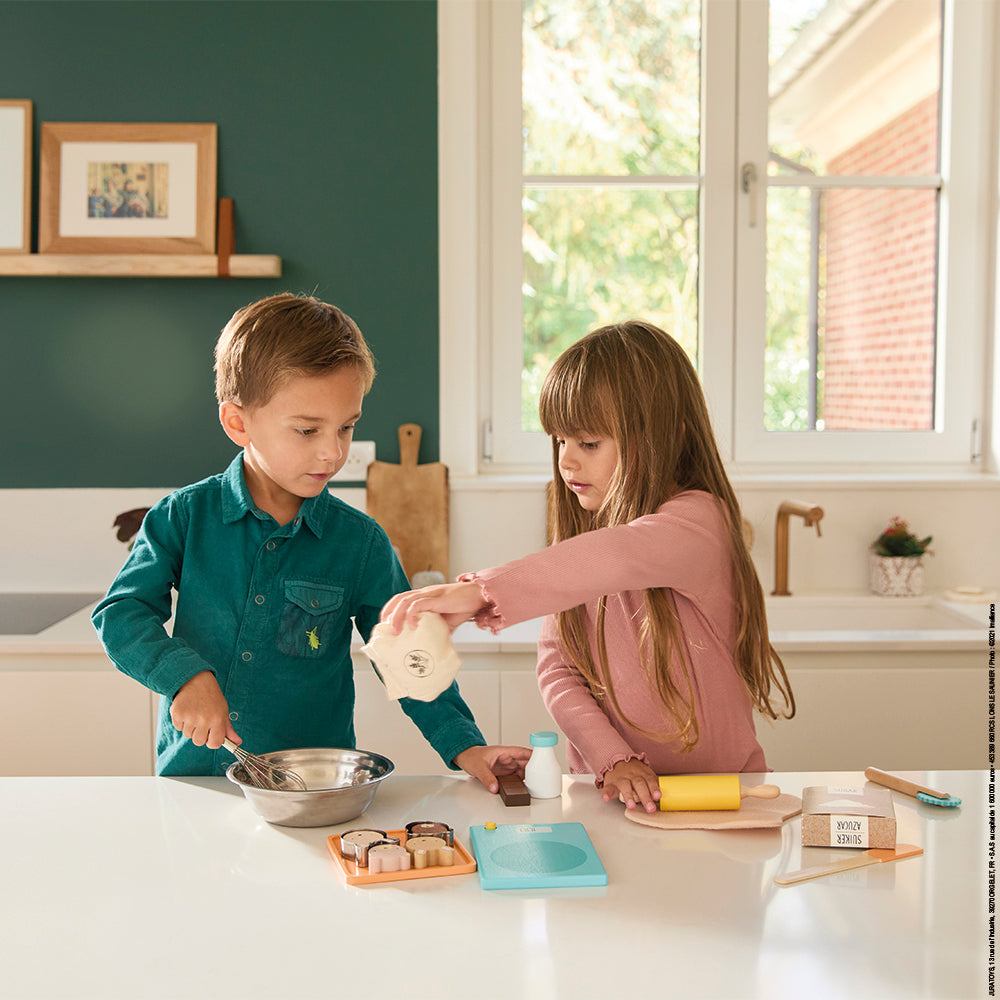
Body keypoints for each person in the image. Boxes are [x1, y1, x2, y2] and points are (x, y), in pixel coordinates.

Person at [92, 292, 528, 789]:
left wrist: (464, 744)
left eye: (346, 427)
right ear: (238, 422)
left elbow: (408, 654)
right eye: (306, 430)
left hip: (314, 789)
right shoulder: (184, 517)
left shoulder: (360, 544)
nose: (332, 451)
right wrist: (183, 677)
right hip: (195, 783)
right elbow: (120, 613)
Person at [381, 321, 795, 812]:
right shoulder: (578, 546)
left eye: (589, 444)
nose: (566, 462)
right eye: (559, 442)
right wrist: (613, 759)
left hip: (723, 797)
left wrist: (481, 592)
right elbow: (560, 670)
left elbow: (620, 555)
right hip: (613, 797)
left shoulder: (698, 523)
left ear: (667, 436)